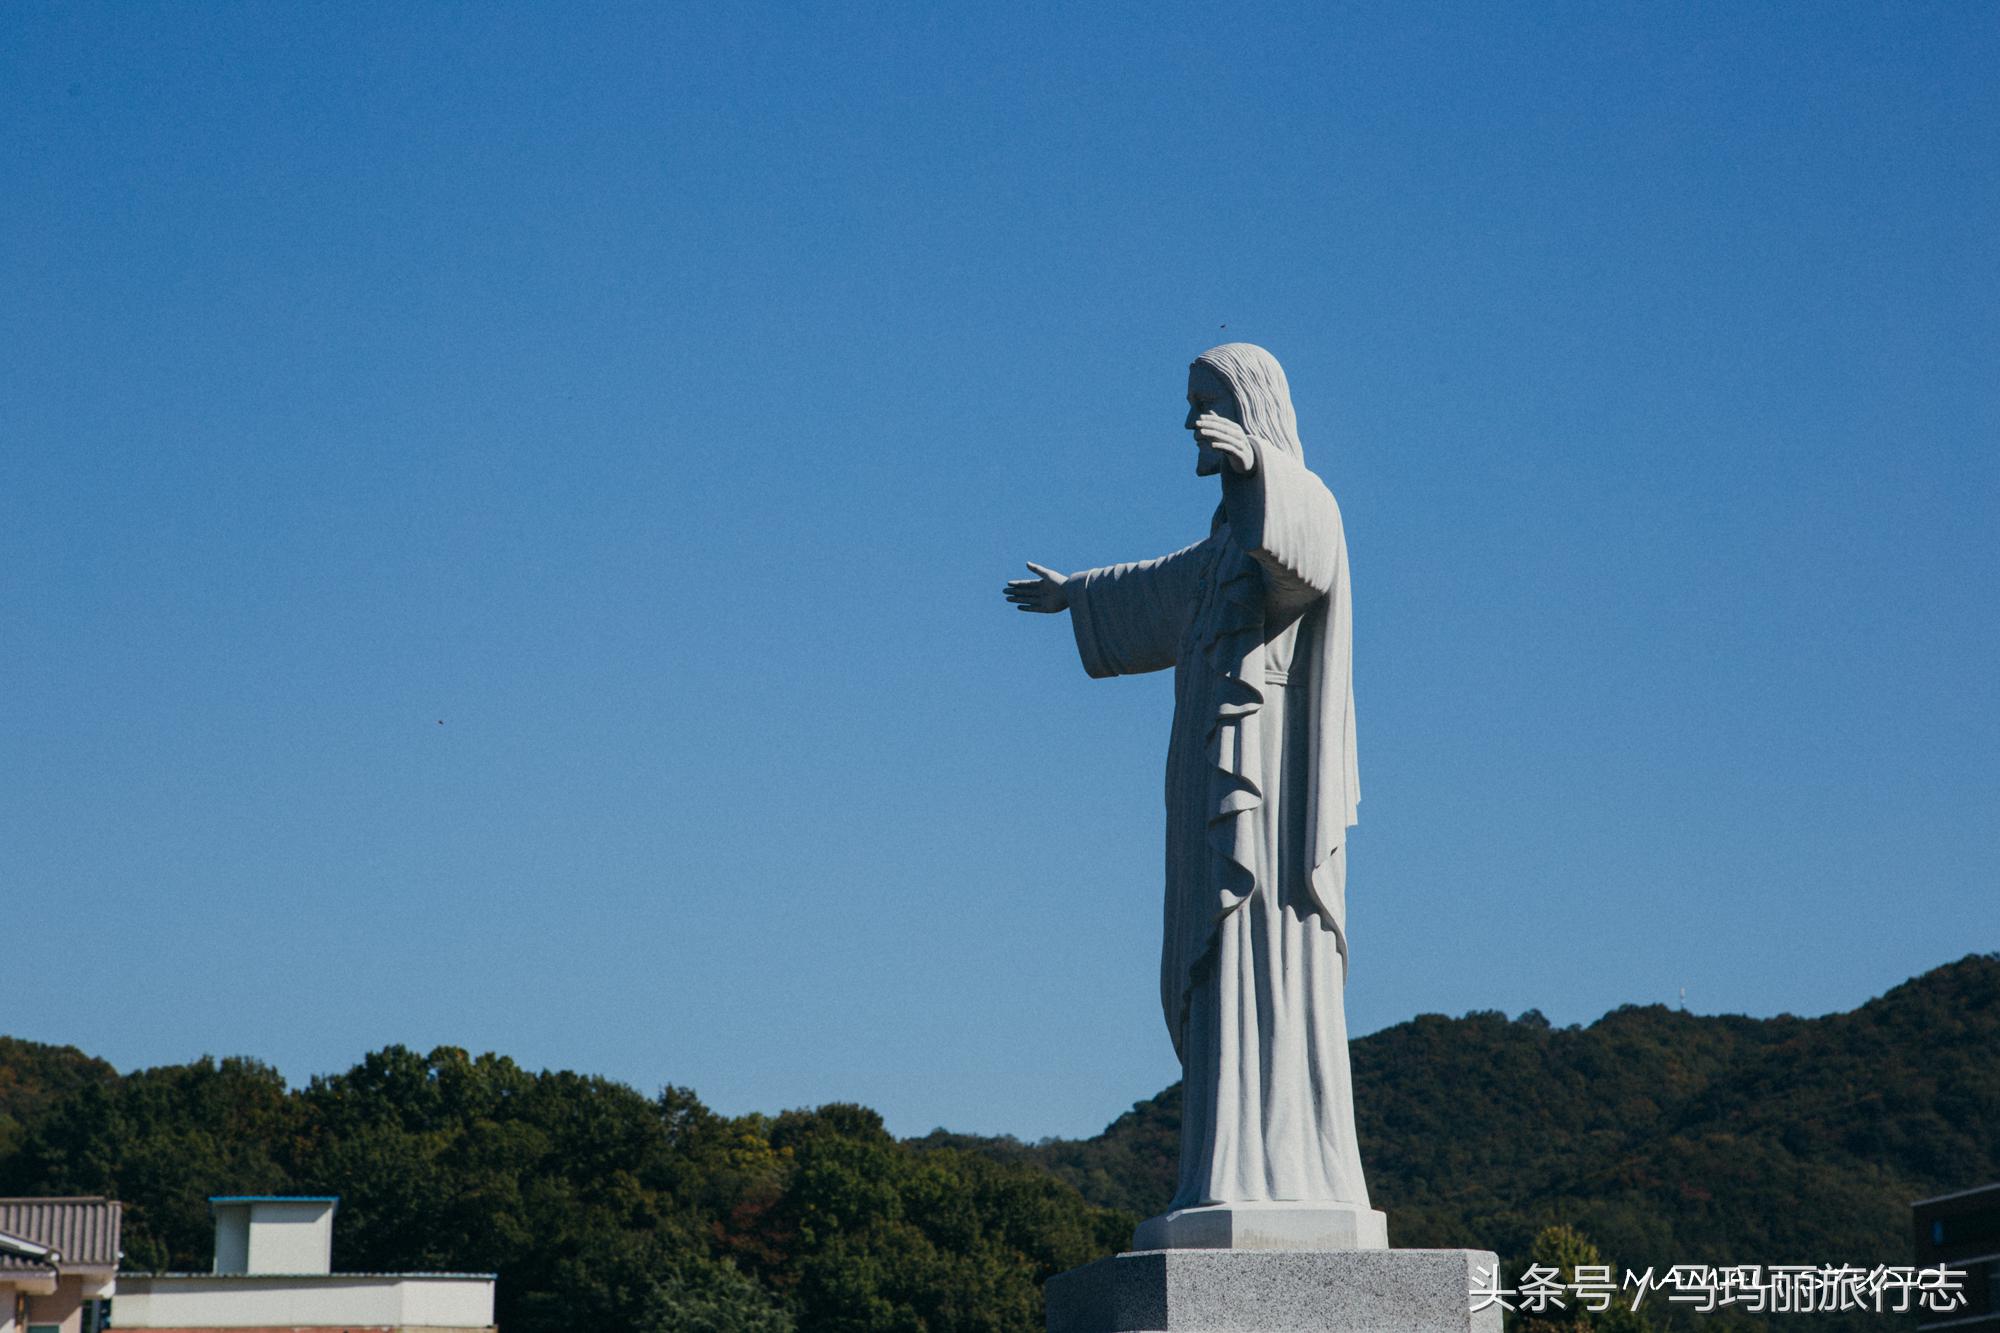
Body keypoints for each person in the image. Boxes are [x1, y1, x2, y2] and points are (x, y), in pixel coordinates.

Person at [1004, 344, 1380, 1246]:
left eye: (1203, 404)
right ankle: (1227, 1164)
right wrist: (1077, 595)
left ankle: (1290, 1164)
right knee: (1216, 973)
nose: (1189, 425)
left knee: (1266, 953)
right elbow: (1159, 587)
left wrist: (1262, 468)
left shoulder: (1304, 502)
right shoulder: (1217, 547)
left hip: (1275, 801)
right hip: (1210, 783)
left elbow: (1300, 562)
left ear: (1245, 409)